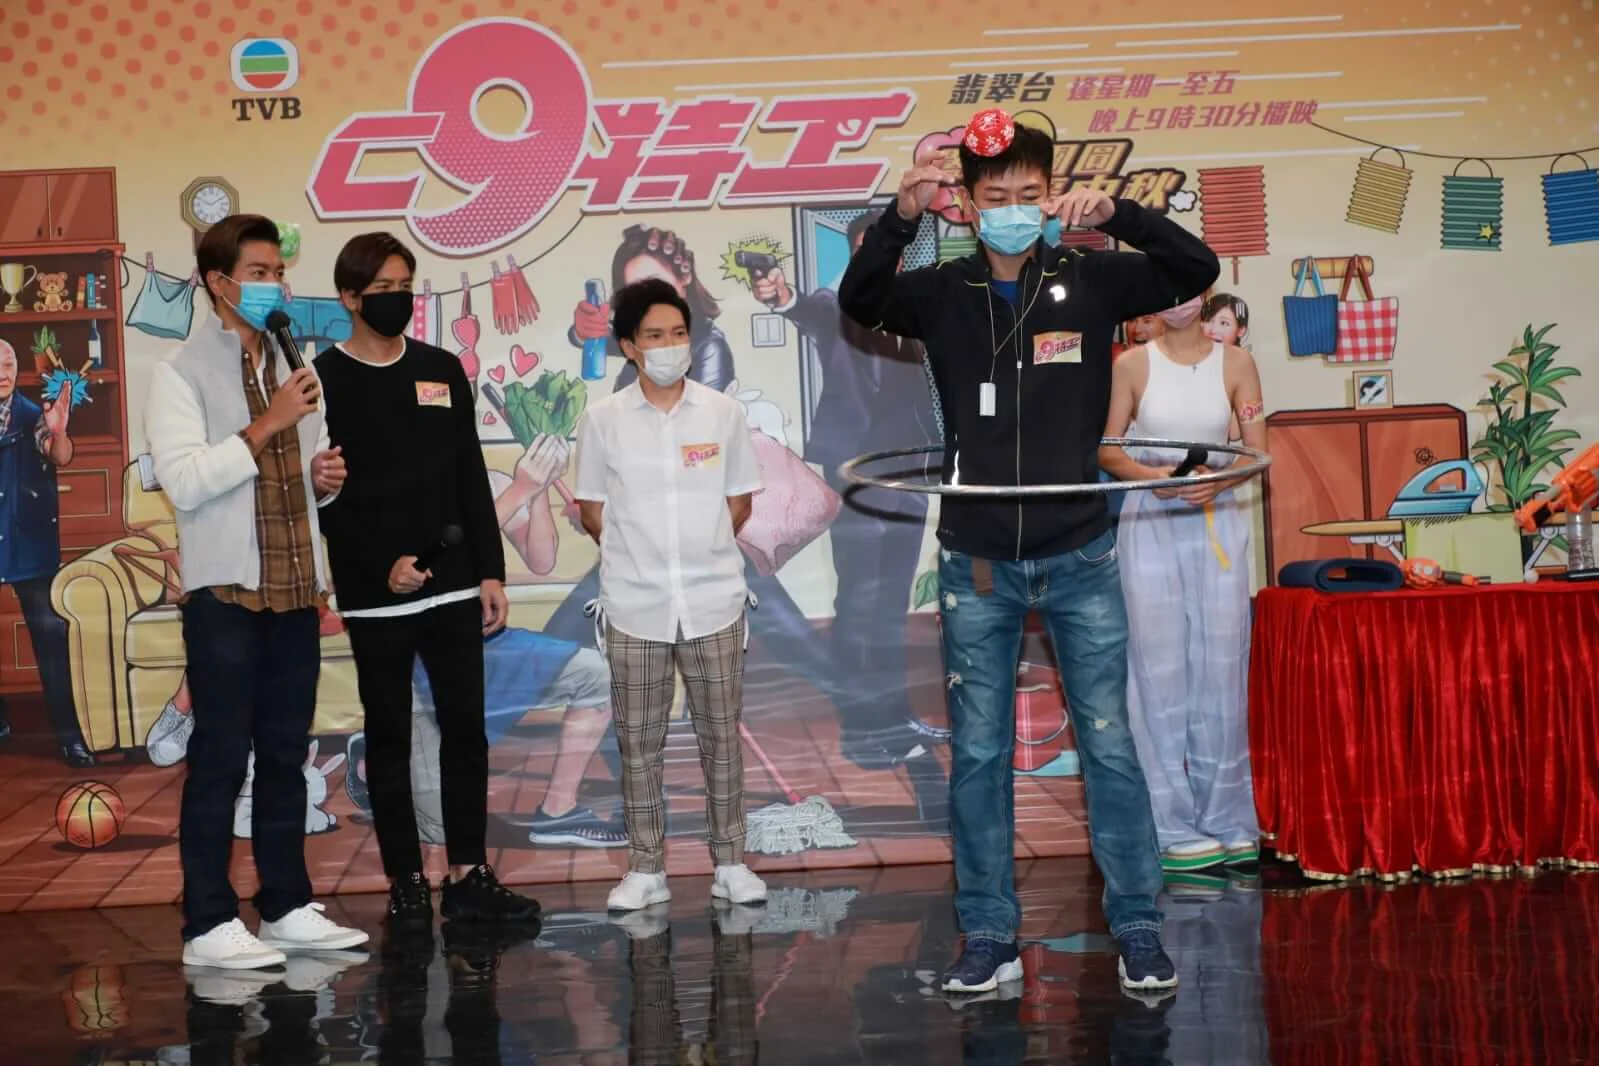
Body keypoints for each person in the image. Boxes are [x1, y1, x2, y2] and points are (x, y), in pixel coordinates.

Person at [838, 110, 1220, 994]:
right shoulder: (941, 291)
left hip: (1080, 551)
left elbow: (1192, 269)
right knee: (977, 757)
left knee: (1109, 747)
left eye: (1029, 193)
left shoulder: (1089, 279)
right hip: (977, 560)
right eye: (996, 195)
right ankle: (987, 937)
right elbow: (861, 301)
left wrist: (1119, 214)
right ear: (969, 205)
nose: (1013, 208)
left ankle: (1137, 927)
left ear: (1050, 197)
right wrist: (901, 216)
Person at [144, 213, 369, 969]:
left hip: (295, 589)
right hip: (226, 597)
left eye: (279, 271)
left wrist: (323, 480)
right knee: (218, 759)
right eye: (260, 272)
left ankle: (286, 906)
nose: (275, 284)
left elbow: (307, 480)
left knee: (283, 754)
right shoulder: (178, 372)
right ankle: (208, 922)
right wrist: (269, 423)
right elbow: (184, 480)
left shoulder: (291, 364)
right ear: (219, 282)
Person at [315, 232, 540, 931]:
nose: (398, 299)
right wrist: (380, 564)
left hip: (453, 584)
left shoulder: (441, 368)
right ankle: (406, 880)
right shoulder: (321, 380)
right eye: (382, 288)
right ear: (350, 297)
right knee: (388, 736)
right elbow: (328, 496)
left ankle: (471, 873)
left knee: (466, 731)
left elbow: (468, 473)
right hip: (374, 594)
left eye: (405, 286)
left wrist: (490, 570)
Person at [573, 277, 768, 912]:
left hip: (715, 601)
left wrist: (698, 549)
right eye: (654, 336)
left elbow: (739, 502)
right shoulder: (602, 420)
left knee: (722, 737)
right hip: (635, 606)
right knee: (638, 743)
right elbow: (592, 511)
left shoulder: (722, 413)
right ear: (629, 346)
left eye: (678, 333)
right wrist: (644, 556)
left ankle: (731, 862)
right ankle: (645, 868)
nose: (669, 346)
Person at [1100, 292, 1267, 873]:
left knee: (1222, 663)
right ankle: (1169, 826)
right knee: (1156, 668)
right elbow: (1108, 450)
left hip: (1217, 519)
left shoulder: (1237, 363)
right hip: (1150, 519)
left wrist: (1217, 483)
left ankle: (1228, 817)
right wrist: (1155, 477)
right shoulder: (1131, 364)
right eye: (1166, 289)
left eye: (1188, 287)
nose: (1177, 301)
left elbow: (1257, 451)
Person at [0, 338, 95, 766]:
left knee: (50, 635)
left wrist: (59, 432)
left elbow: (61, 455)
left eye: (8, 364)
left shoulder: (33, 415)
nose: (3, 373)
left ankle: (69, 736)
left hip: (29, 540)